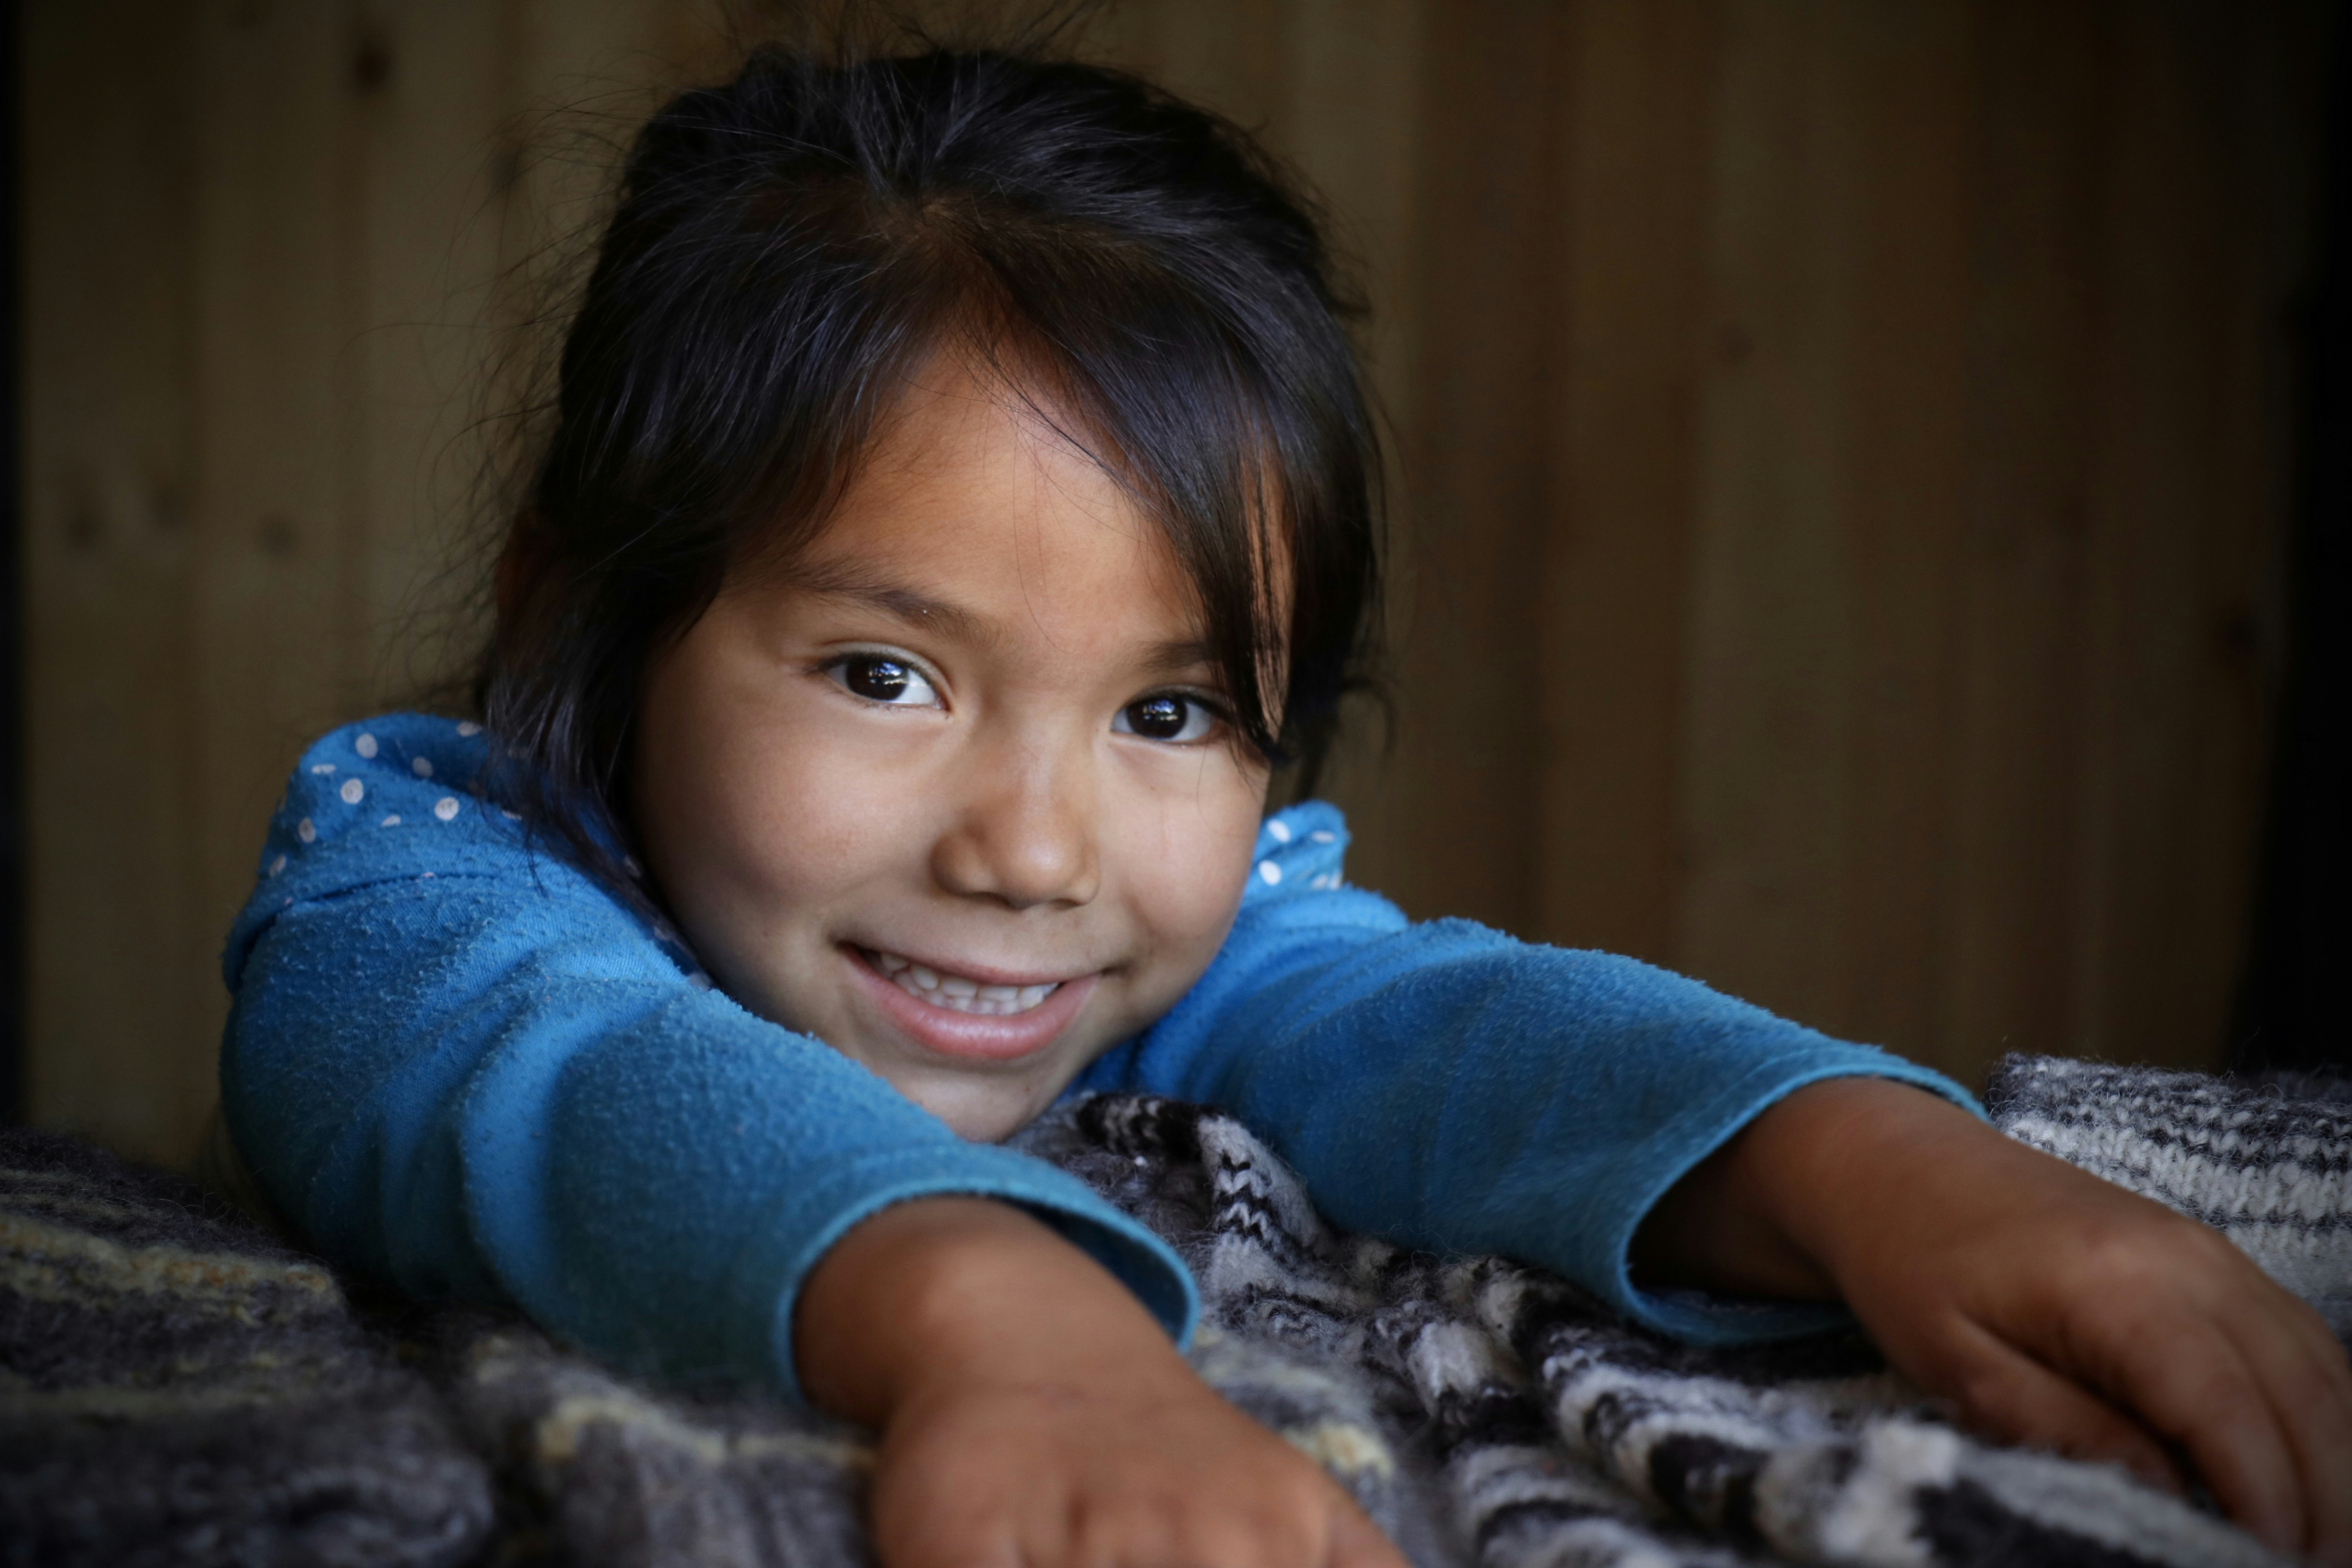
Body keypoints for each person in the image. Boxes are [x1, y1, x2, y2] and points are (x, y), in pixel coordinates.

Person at [215, 36, 2352, 1568]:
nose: (1035, 855)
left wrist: (1891, 1167)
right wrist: (1003, 1327)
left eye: (1170, 714)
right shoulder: (424, 884)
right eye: (888, 675)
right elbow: (565, 1071)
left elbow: (1454, 1028)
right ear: (577, 620)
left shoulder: (1174, 932)